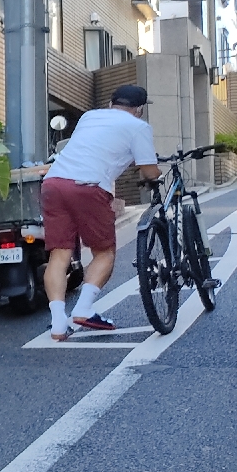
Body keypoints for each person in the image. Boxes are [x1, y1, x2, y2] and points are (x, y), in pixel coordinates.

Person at [41, 84, 160, 340]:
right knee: (103, 252)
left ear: (110, 103)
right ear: (138, 109)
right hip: (88, 186)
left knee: (59, 255)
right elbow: (148, 170)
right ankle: (84, 309)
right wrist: (157, 174)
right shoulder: (138, 127)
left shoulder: (89, 116)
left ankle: (59, 324)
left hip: (53, 183)